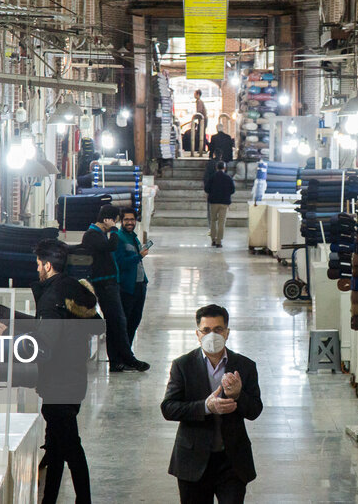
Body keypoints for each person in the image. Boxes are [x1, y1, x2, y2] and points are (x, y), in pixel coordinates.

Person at [161, 304, 262, 503]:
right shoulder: (183, 365)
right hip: (193, 460)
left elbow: (255, 410)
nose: (212, 335)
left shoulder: (245, 366)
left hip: (232, 462)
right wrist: (206, 407)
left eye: (218, 330)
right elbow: (168, 408)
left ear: (227, 333)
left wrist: (238, 395)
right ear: (198, 334)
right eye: (206, 330)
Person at [28, 239, 98, 504]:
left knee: (70, 447)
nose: (37, 270)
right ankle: (49, 500)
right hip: (75, 378)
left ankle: (84, 500)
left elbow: (46, 345)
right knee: (56, 448)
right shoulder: (74, 289)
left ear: (47, 265)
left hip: (58, 382)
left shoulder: (51, 298)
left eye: (38, 265)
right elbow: (95, 326)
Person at [81, 204, 150, 372]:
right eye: (118, 221)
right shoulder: (92, 235)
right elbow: (112, 247)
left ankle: (121, 360)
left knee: (118, 322)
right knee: (117, 322)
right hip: (104, 284)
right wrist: (113, 230)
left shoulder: (102, 234)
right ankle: (127, 359)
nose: (119, 225)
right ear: (108, 220)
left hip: (111, 282)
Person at [115, 207, 149, 345]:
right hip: (128, 286)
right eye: (126, 220)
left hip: (140, 284)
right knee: (126, 322)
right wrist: (138, 256)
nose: (130, 222)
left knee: (135, 320)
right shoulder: (119, 238)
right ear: (121, 221)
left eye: (132, 219)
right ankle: (124, 353)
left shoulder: (133, 237)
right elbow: (120, 263)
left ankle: (128, 351)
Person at [204, 161, 235, 248]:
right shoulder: (228, 178)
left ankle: (213, 239)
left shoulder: (212, 177)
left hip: (213, 202)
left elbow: (206, 189)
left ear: (216, 168)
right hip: (224, 203)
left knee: (213, 221)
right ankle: (219, 241)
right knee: (222, 222)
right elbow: (233, 190)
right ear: (224, 168)